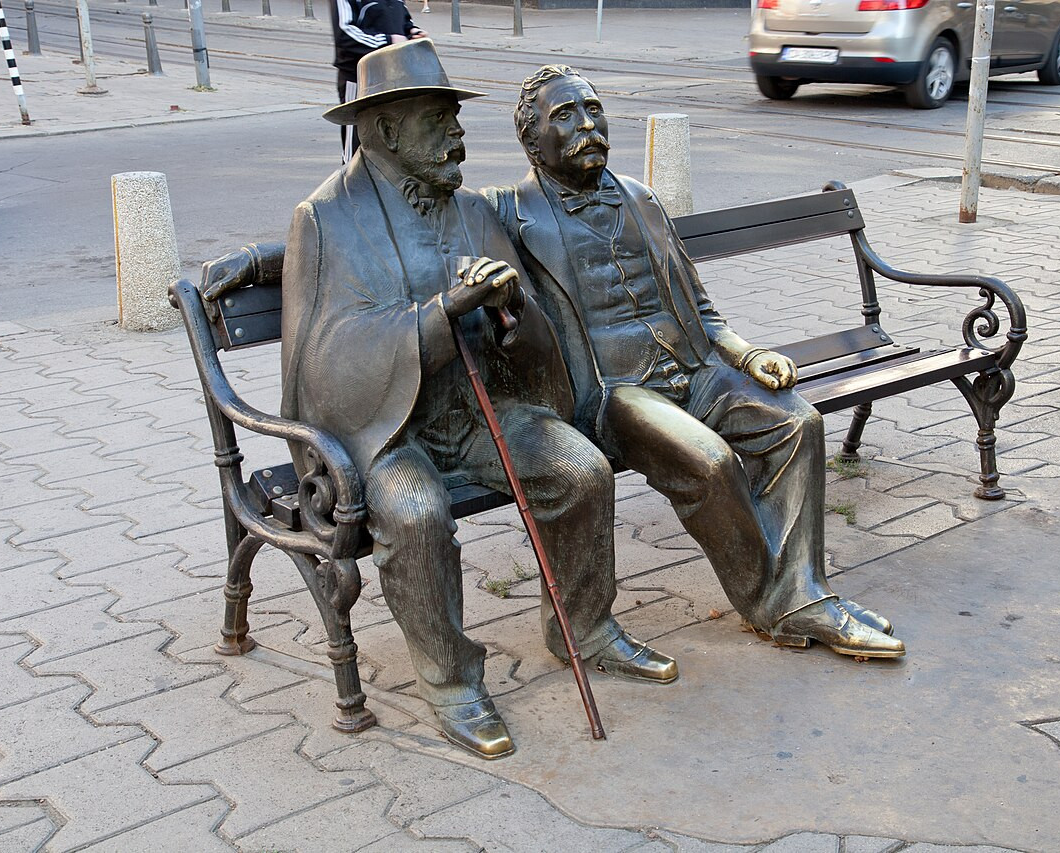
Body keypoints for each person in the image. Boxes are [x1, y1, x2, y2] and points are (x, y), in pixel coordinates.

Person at [281, 41, 676, 759]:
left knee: (579, 468)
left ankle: (585, 626)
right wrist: (439, 314)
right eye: (440, 119)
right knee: (415, 509)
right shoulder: (326, 218)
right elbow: (329, 357)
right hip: (381, 430)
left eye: (457, 116)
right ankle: (452, 680)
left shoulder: (469, 208)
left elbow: (529, 332)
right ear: (388, 129)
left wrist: (506, 308)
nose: (460, 134)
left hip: (475, 407)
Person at [484, 65, 905, 659]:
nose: (588, 125)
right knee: (710, 463)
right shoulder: (506, 213)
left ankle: (805, 590)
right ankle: (783, 607)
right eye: (566, 116)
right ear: (532, 141)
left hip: (692, 368)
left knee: (798, 423)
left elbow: (701, 308)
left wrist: (746, 353)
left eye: (594, 110)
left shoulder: (640, 198)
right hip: (611, 394)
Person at [330, 0, 426, 162]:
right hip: (359, 77)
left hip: (392, 77)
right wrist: (389, 41)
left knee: (391, 140)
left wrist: (413, 32)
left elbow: (401, 20)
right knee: (356, 146)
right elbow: (345, 34)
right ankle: (351, 183)